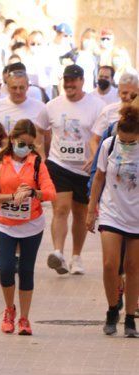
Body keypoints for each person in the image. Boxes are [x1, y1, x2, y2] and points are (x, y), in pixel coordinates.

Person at [0, 119, 56, 335]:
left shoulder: (36, 163)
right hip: (5, 224)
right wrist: (12, 197)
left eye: (28, 144)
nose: (24, 148)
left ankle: (25, 318)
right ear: (13, 139)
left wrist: (33, 192)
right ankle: (9, 309)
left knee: (26, 270)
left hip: (31, 225)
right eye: (21, 143)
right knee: (6, 268)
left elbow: (51, 192)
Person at [43, 65, 104, 276]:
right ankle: (58, 253)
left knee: (79, 214)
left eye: (73, 81)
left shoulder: (97, 106)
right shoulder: (52, 106)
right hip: (59, 164)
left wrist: (95, 159)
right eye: (66, 81)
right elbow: (41, 131)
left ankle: (76, 257)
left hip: (84, 169)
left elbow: (100, 138)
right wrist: (43, 157)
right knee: (60, 209)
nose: (69, 85)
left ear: (82, 81)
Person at [87, 104, 139, 337]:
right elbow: (98, 178)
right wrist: (91, 210)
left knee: (133, 267)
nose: (125, 145)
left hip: (136, 215)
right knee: (110, 264)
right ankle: (111, 309)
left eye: (130, 142)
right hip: (111, 212)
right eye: (123, 140)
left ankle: (130, 318)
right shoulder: (109, 145)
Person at [0, 68, 49, 154]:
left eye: (21, 87)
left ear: (27, 87)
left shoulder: (40, 108)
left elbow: (47, 137)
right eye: (14, 88)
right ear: (7, 87)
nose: (18, 91)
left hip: (31, 161)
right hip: (4, 160)